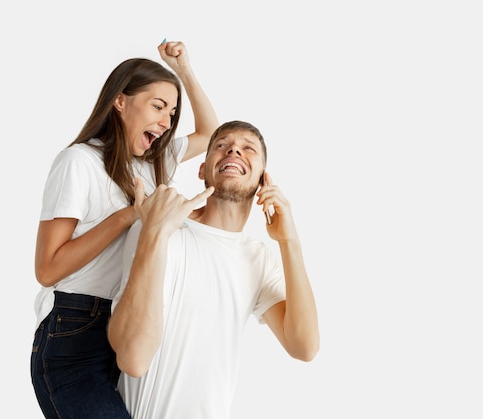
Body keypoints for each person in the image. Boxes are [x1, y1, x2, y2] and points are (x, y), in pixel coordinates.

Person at [30, 40, 218, 419]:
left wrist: (183, 71)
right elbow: (47, 268)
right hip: (74, 332)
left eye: (172, 111)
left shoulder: (153, 160)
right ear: (120, 101)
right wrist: (128, 216)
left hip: (128, 328)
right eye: (158, 106)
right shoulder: (79, 162)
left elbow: (211, 132)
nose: (167, 122)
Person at [108, 120, 320, 418]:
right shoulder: (161, 225)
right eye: (222, 145)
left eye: (249, 148)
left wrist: (290, 241)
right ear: (202, 168)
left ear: (263, 179)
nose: (234, 149)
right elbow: (134, 359)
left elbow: (304, 347)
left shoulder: (256, 258)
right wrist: (154, 233)